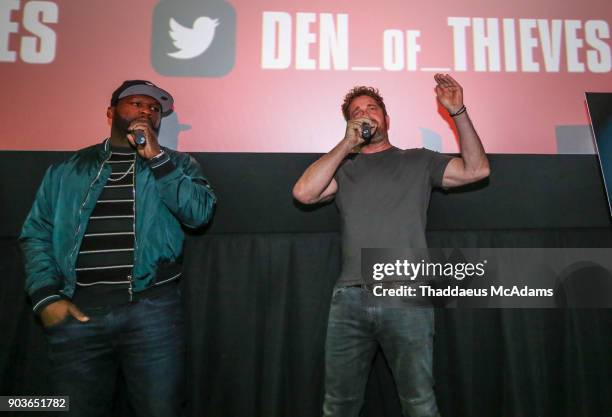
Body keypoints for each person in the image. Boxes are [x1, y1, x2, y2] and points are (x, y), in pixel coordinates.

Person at [292, 74, 490, 417]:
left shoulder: (419, 160)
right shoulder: (344, 168)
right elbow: (303, 194)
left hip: (405, 292)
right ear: (351, 123)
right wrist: (345, 145)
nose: (366, 114)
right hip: (350, 297)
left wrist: (458, 112)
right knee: (338, 405)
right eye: (358, 112)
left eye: (373, 108)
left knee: (419, 403)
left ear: (387, 118)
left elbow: (477, 169)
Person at [19, 80, 216, 417]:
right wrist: (46, 297)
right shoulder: (68, 170)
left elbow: (199, 214)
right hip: (78, 314)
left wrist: (156, 158)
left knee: (161, 409)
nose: (146, 111)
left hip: (151, 310)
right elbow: (36, 233)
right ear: (111, 112)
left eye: (154, 109)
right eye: (137, 103)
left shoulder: (178, 166)